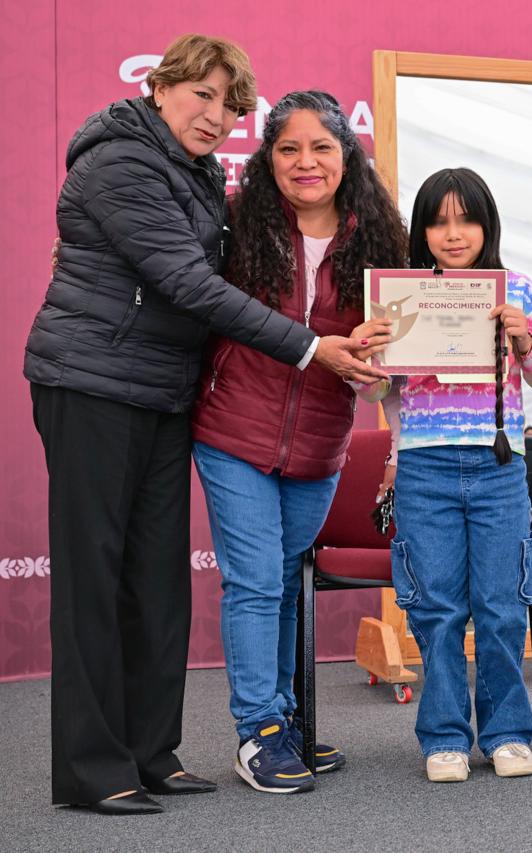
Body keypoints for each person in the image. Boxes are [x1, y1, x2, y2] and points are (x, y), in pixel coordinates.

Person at [22, 33, 385, 816]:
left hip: (162, 393)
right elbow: (185, 280)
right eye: (201, 96)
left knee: (157, 584)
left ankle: (153, 753)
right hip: (90, 382)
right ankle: (92, 766)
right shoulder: (119, 160)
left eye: (228, 105)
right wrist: (309, 345)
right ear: (160, 87)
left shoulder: (197, 179)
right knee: (95, 580)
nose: (215, 116)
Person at [189, 91, 408, 794]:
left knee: (283, 582)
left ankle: (282, 721)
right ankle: (258, 733)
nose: (305, 162)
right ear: (268, 157)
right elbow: (171, 274)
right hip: (232, 431)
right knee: (255, 581)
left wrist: (387, 376)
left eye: (321, 147)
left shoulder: (380, 242)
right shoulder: (234, 225)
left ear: (347, 156)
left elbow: (391, 365)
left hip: (319, 446)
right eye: (288, 148)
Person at [366, 167, 532, 783]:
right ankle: (444, 735)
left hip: (498, 462)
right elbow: (371, 386)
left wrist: (524, 341)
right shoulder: (400, 294)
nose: (453, 233)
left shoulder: (516, 289)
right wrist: (369, 352)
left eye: (466, 218)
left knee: (502, 606)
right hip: (423, 463)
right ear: (422, 230)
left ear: (486, 224)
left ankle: (506, 733)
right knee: (436, 609)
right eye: (438, 220)